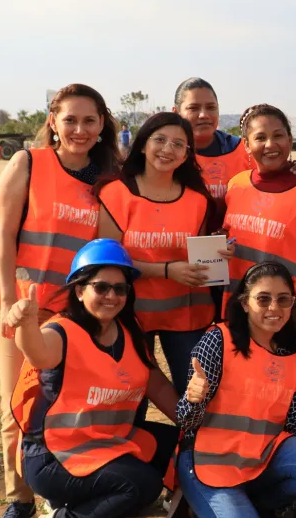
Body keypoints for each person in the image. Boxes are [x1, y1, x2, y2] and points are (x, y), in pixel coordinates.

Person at [0, 84, 122, 518]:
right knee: (17, 403)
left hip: (69, 314)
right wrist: (10, 301)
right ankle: (19, 497)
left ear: (102, 125)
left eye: (89, 120)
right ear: (53, 121)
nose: (79, 129)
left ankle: (57, 484)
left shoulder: (108, 180)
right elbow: (4, 235)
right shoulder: (28, 162)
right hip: (19, 305)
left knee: (57, 404)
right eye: (70, 119)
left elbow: (109, 246)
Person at [8, 239, 180, 518]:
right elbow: (38, 352)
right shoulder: (62, 332)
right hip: (55, 457)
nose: (111, 296)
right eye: (100, 287)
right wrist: (26, 326)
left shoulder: (129, 330)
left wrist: (193, 424)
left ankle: (80, 502)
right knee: (141, 485)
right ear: (79, 290)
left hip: (108, 441)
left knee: (184, 444)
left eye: (120, 288)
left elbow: (156, 384)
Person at [176, 261, 296, 518]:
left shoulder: (294, 356)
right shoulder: (218, 340)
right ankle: (207, 501)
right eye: (263, 299)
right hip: (208, 463)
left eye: (283, 299)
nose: (274, 308)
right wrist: (194, 399)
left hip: (261, 457)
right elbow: (185, 420)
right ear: (244, 303)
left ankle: (257, 505)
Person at [96, 112, 226, 397]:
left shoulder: (198, 200)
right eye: (160, 140)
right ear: (143, 144)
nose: (168, 149)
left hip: (188, 318)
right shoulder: (116, 194)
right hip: (129, 315)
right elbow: (108, 262)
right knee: (131, 397)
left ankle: (190, 442)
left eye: (178, 144)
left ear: (186, 155)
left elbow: (199, 261)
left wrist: (216, 252)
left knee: (196, 396)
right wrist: (167, 270)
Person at [221, 103, 296, 419]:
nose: (270, 145)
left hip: (294, 318)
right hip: (246, 316)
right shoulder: (235, 186)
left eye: (279, 135)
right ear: (246, 145)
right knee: (250, 400)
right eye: (260, 138)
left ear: (290, 139)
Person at [172, 77, 296, 207]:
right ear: (176, 112)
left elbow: (278, 184)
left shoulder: (245, 151)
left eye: (211, 107)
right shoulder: (165, 155)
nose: (204, 115)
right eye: (193, 108)